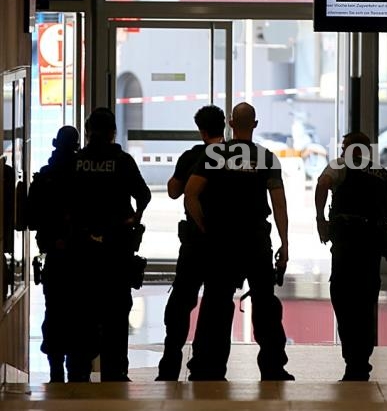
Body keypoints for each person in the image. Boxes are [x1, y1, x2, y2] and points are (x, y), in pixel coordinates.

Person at [183, 102, 293, 381]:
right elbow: (279, 205)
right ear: (255, 124)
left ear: (231, 124)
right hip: (256, 240)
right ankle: (272, 367)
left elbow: (190, 194)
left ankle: (208, 367)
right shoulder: (267, 158)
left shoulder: (215, 154)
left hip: (222, 241)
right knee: (266, 306)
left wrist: (204, 227)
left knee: (215, 305)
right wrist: (285, 243)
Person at [67, 107, 151, 382]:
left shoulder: (76, 161)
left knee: (82, 312)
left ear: (88, 131)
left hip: (81, 251)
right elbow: (144, 194)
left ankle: (79, 371)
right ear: (113, 132)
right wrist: (133, 220)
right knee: (116, 314)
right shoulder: (122, 161)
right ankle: (115, 372)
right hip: (116, 249)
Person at [315, 131, 387, 381]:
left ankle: (352, 358)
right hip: (371, 245)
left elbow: (322, 184)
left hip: (346, 243)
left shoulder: (341, 166)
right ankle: (361, 361)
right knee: (366, 302)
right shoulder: (384, 176)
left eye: (343, 146)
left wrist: (320, 219)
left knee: (342, 297)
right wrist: (386, 237)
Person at [155, 105, 225, 381]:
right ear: (224, 126)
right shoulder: (233, 157)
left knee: (181, 303)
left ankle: (171, 363)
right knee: (216, 304)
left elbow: (174, 191)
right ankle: (206, 364)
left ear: (202, 130)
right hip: (224, 244)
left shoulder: (192, 156)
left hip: (196, 242)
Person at [27, 126, 80, 382]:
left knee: (54, 311)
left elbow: (31, 219)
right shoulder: (83, 175)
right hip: (82, 256)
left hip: (53, 257)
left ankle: (56, 366)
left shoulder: (44, 177)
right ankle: (77, 367)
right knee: (80, 310)